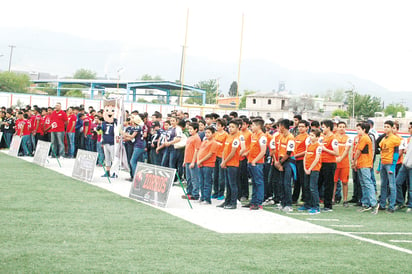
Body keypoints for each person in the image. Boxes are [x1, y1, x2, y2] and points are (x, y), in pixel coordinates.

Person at [353, 122, 379, 214]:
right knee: (364, 184)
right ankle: (366, 203)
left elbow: (358, 151)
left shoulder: (364, 138)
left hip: (365, 164)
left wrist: (354, 161)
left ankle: (373, 203)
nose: (357, 131)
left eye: (359, 129)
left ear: (364, 130)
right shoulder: (362, 138)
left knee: (367, 183)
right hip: (361, 163)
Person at [378, 120, 402, 213]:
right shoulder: (384, 139)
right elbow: (382, 153)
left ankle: (391, 205)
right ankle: (382, 204)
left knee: (392, 185)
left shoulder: (395, 139)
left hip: (389, 163)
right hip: (384, 163)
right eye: (385, 126)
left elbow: (396, 153)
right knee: (383, 185)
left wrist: (393, 166)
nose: (386, 128)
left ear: (392, 128)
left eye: (388, 127)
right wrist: (379, 166)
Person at [218, 119, 241, 209]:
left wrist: (225, 161)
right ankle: (227, 201)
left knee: (233, 184)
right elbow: (224, 150)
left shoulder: (236, 138)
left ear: (237, 128)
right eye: (229, 127)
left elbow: (233, 152)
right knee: (228, 184)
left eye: (233, 127)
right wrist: (223, 160)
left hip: (233, 164)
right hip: (226, 163)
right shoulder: (229, 137)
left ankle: (233, 202)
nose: (230, 129)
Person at [244, 118, 267, 210]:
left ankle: (258, 202)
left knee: (259, 182)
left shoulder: (262, 137)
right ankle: (253, 201)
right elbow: (252, 148)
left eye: (253, 125)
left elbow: (263, 151)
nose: (251, 127)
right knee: (254, 182)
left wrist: (255, 160)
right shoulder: (253, 135)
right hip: (251, 161)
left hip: (257, 163)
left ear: (258, 126)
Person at [274, 119, 296, 213]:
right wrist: (278, 162)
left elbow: (288, 152)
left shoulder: (290, 137)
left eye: (279, 126)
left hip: (288, 162)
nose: (278, 128)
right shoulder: (281, 137)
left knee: (287, 184)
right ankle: (283, 202)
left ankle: (288, 204)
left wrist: (280, 162)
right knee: (281, 183)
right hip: (282, 161)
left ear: (283, 126)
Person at [318, 120, 339, 212]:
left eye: (323, 127)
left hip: (329, 163)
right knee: (319, 183)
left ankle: (328, 205)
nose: (322, 129)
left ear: (328, 128)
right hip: (322, 162)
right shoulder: (323, 137)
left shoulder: (333, 138)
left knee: (328, 184)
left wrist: (325, 149)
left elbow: (336, 152)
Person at [301, 128, 323, 214]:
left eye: (312, 136)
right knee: (306, 187)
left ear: (317, 137)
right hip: (307, 169)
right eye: (310, 135)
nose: (310, 137)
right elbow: (305, 157)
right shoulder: (309, 145)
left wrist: (310, 168)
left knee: (313, 188)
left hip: (314, 169)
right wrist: (305, 168)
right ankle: (308, 204)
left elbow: (317, 159)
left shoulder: (318, 146)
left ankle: (316, 206)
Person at [197, 126, 219, 205]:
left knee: (207, 182)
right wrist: (198, 160)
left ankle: (207, 199)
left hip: (208, 164)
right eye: (206, 132)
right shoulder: (204, 141)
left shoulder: (214, 143)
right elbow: (200, 151)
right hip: (201, 164)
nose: (207, 134)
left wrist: (201, 160)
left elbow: (210, 154)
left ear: (213, 134)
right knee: (201, 182)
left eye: (209, 132)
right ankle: (202, 197)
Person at [334, 121, 353, 207]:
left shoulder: (348, 138)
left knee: (344, 182)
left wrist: (340, 158)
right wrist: (336, 158)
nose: (342, 128)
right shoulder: (334, 137)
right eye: (340, 126)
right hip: (335, 162)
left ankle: (345, 200)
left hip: (344, 163)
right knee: (334, 181)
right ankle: (332, 198)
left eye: (343, 127)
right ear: (337, 128)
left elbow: (347, 149)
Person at [182, 122, 202, 200]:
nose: (189, 130)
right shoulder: (190, 138)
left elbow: (197, 150)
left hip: (193, 161)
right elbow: (186, 150)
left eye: (191, 129)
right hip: (187, 160)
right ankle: (189, 192)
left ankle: (195, 194)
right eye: (189, 129)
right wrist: (184, 160)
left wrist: (193, 161)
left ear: (196, 129)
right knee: (189, 178)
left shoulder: (197, 138)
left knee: (194, 178)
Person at [292, 119, 309, 204]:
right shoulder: (297, 137)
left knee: (303, 180)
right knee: (296, 180)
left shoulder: (307, 137)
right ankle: (294, 198)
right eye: (299, 126)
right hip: (296, 161)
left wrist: (296, 155)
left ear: (307, 128)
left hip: (302, 160)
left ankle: (305, 198)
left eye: (302, 127)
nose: (300, 128)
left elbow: (307, 150)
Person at [212, 118, 228, 200]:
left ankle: (221, 193)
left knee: (221, 176)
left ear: (223, 127)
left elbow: (226, 146)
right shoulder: (215, 134)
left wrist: (218, 143)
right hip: (215, 156)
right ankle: (215, 192)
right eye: (216, 125)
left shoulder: (226, 135)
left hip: (222, 156)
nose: (217, 127)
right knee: (215, 175)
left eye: (219, 125)